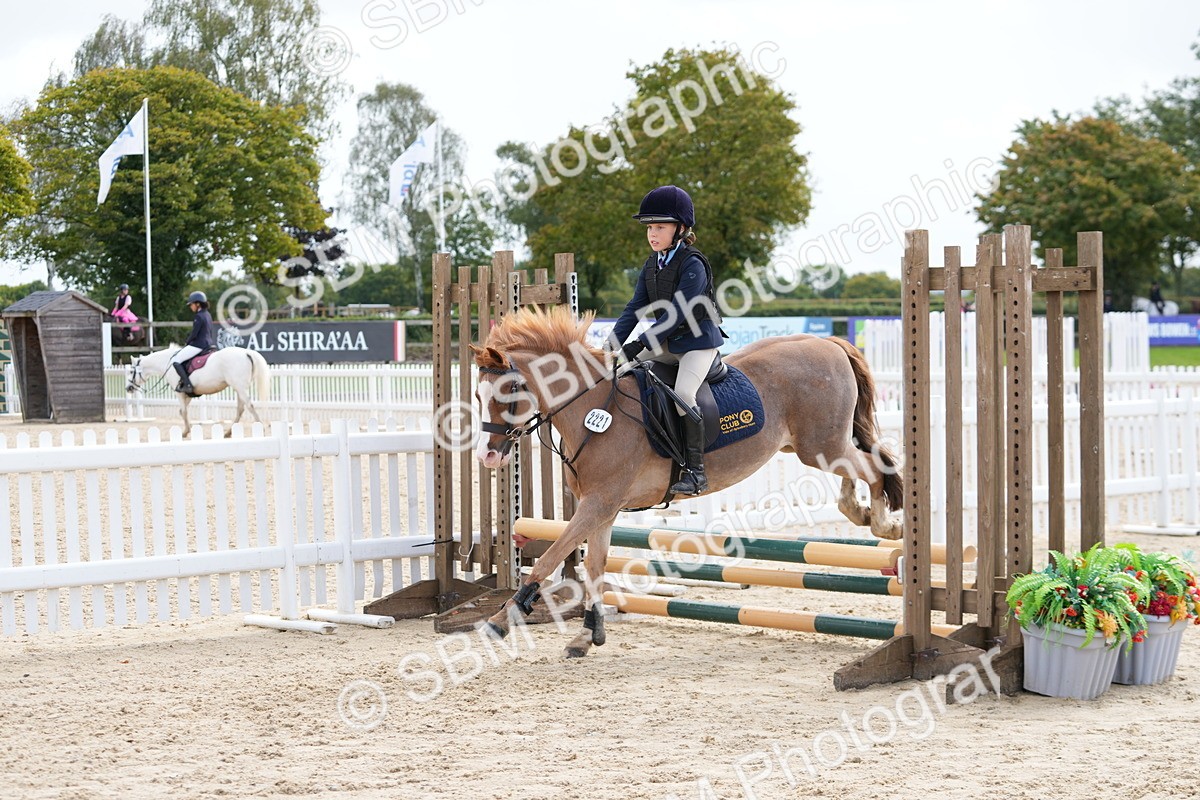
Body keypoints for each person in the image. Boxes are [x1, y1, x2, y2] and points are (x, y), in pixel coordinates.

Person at [609, 185, 725, 496]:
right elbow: (635, 308)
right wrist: (611, 348)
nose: (652, 233)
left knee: (684, 392)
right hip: (667, 344)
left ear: (681, 228)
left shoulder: (693, 264)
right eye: (649, 227)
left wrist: (640, 342)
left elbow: (678, 312)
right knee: (620, 373)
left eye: (660, 226)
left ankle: (696, 472)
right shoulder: (652, 264)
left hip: (698, 343)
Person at [170, 291, 214, 394]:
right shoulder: (207, 314)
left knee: (175, 360)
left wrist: (187, 342)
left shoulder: (198, 316)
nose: (190, 307)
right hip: (209, 343)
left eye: (191, 304)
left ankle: (188, 385)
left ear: (197, 304)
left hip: (199, 345)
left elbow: (194, 334)